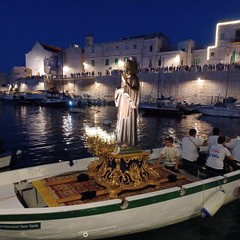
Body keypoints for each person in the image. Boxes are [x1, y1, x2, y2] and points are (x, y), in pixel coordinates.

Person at [115, 57, 140, 147]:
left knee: (129, 122)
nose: (125, 69)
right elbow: (119, 89)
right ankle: (121, 141)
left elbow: (135, 92)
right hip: (122, 104)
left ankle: (130, 143)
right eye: (125, 67)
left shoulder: (134, 78)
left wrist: (125, 86)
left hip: (129, 105)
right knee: (122, 122)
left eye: (127, 67)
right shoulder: (124, 78)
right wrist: (118, 90)